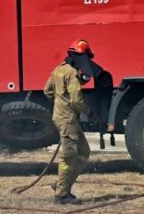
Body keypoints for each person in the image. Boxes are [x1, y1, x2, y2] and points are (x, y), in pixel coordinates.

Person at [44, 39, 102, 205]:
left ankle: (61, 184)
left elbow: (47, 90)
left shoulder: (59, 69)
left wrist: (60, 103)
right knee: (69, 156)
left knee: (83, 151)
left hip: (63, 117)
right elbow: (76, 100)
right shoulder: (72, 73)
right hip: (68, 120)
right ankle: (61, 195)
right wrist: (90, 112)